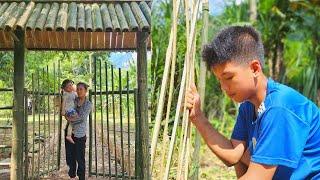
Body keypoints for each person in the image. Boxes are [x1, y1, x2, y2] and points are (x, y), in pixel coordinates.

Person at [186, 26, 320, 179]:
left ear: (255, 68)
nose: (223, 87)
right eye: (219, 80)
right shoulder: (248, 107)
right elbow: (234, 154)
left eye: (228, 77)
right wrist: (198, 118)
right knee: (244, 153)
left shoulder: (279, 106)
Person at [65, 82, 92, 180]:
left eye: (81, 89)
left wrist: (70, 118)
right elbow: (67, 113)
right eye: (78, 89)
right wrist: (69, 117)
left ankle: (81, 177)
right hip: (70, 133)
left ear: (85, 91)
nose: (79, 91)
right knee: (70, 156)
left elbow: (81, 118)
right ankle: (72, 175)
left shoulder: (88, 104)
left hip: (80, 135)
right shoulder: (74, 100)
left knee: (80, 159)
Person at [61, 79, 77, 144]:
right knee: (72, 122)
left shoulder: (73, 93)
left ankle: (71, 133)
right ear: (65, 88)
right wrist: (62, 111)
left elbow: (78, 97)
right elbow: (64, 103)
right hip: (69, 110)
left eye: (71, 85)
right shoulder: (66, 94)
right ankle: (69, 135)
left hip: (72, 110)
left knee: (72, 122)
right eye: (68, 86)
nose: (70, 87)